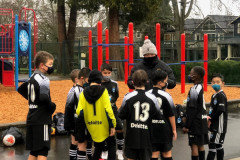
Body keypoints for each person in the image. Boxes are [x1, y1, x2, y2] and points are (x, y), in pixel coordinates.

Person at [17, 51, 56, 160]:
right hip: (42, 119)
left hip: (31, 117)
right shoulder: (43, 79)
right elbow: (44, 97)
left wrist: (33, 100)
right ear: (42, 65)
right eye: (50, 64)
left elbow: (20, 89)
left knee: (34, 151)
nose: (51, 67)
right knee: (43, 150)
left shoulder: (32, 77)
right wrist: (52, 106)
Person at [119, 69, 161, 160]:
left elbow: (121, 114)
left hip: (131, 136)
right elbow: (157, 115)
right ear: (147, 81)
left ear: (133, 82)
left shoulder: (128, 96)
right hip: (146, 137)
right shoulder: (152, 97)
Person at [75, 69, 116, 160]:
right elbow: (108, 109)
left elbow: (79, 111)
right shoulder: (103, 90)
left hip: (91, 125)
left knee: (98, 146)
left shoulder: (83, 93)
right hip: (104, 124)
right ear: (100, 80)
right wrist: (112, 125)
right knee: (111, 144)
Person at [148, 69, 177, 160]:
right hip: (164, 129)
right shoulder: (166, 95)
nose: (166, 83)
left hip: (151, 129)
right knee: (167, 153)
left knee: (153, 154)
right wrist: (174, 130)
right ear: (160, 83)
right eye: (166, 81)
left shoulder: (147, 94)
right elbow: (171, 115)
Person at [64, 68, 92, 160]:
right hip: (77, 121)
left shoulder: (78, 89)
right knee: (81, 143)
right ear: (81, 78)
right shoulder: (77, 91)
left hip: (76, 120)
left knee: (78, 142)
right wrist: (69, 124)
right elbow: (69, 107)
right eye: (88, 79)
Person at [182, 66, 209, 160]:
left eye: (191, 73)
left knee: (194, 145)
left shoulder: (194, 89)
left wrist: (186, 125)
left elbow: (192, 110)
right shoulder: (200, 87)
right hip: (202, 121)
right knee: (200, 145)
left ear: (196, 76)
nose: (189, 75)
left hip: (196, 123)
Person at [100, 63, 124, 160]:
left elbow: (116, 95)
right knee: (105, 131)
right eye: (105, 73)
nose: (107, 75)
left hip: (113, 109)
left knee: (120, 128)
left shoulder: (115, 84)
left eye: (109, 73)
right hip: (102, 111)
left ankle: (120, 150)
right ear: (101, 72)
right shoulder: (99, 84)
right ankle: (104, 150)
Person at [207, 74, 228, 160]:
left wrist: (211, 119)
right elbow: (213, 109)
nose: (215, 84)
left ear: (223, 83)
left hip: (219, 126)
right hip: (215, 125)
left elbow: (220, 110)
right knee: (218, 145)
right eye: (213, 82)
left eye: (218, 82)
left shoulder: (221, 95)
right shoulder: (214, 95)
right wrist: (209, 116)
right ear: (211, 83)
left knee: (212, 146)